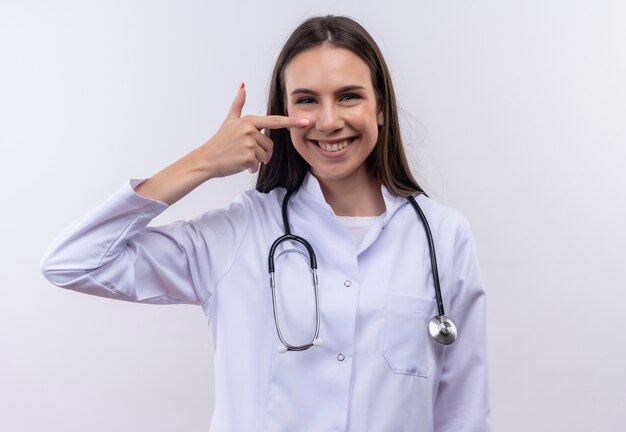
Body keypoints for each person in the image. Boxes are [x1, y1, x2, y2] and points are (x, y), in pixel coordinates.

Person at [41, 15, 490, 432]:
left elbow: (463, 412)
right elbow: (72, 262)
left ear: (380, 108)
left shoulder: (443, 237)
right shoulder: (241, 232)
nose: (330, 121)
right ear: (283, 115)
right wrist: (201, 162)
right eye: (307, 100)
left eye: (349, 96)